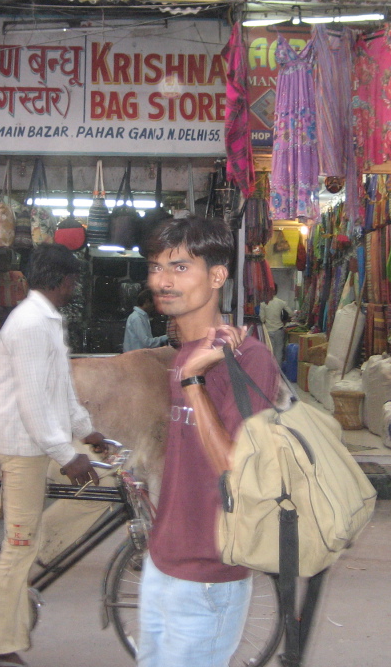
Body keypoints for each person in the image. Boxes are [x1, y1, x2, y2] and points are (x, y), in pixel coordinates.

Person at [139, 217, 283, 667]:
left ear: (217, 276)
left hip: (209, 573)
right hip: (162, 560)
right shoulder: (184, 352)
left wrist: (193, 381)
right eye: (156, 267)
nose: (163, 281)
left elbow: (236, 468)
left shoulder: (247, 358)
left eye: (180, 267)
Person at [0, 244, 106, 667]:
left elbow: (60, 387)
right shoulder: (31, 323)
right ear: (61, 280)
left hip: (40, 443)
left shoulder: (47, 319)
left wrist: (86, 430)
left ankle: (42, 549)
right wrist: (67, 454)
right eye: (73, 281)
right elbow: (34, 402)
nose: (74, 288)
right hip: (23, 448)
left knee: (108, 481)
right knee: (18, 547)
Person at [122, 288, 168, 352]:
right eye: (154, 304)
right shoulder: (137, 318)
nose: (154, 307)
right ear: (147, 302)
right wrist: (166, 337)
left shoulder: (142, 317)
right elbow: (147, 343)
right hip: (136, 356)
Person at [258, 291, 290, 362]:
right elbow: (290, 313)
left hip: (268, 330)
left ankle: (270, 368)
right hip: (279, 330)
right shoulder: (281, 302)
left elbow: (262, 319)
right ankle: (278, 369)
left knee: (269, 352)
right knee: (279, 352)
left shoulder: (263, 304)